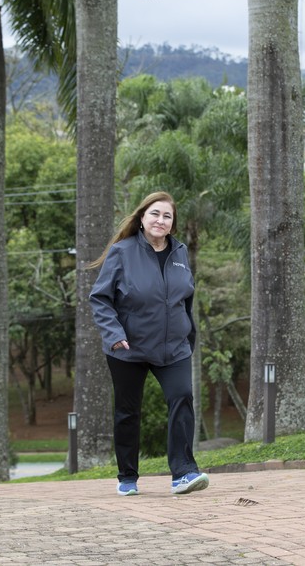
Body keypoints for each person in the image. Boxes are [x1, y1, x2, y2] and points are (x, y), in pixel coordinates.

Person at [89, 191, 209, 496]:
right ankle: (127, 475)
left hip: (174, 348)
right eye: (155, 213)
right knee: (128, 412)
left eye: (167, 216)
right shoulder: (122, 252)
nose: (161, 220)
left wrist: (188, 333)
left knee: (182, 397)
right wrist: (115, 336)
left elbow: (186, 298)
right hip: (128, 349)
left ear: (172, 224)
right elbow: (100, 298)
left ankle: (183, 473)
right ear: (142, 218)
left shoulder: (179, 253)